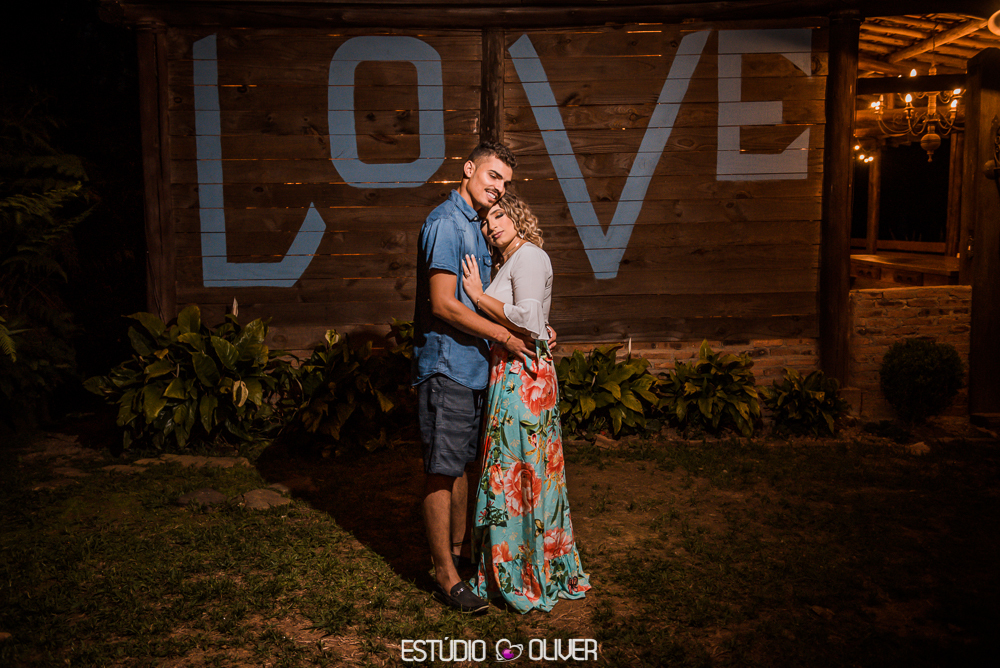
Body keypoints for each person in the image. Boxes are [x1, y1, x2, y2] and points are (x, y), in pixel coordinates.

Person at [412, 141, 536, 614]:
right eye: (492, 175)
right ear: (468, 169)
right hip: (446, 366)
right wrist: (504, 336)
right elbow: (444, 304)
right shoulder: (446, 223)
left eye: (505, 182)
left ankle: (460, 557)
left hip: (473, 369)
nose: (498, 187)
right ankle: (445, 576)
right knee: (441, 469)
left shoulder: (478, 227)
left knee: (463, 465)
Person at [460, 192, 591, 613]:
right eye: (485, 221)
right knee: (514, 470)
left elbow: (530, 320)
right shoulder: (511, 261)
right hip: (512, 372)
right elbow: (533, 318)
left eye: (499, 215)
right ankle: (513, 565)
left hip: (525, 377)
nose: (492, 226)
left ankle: (529, 571)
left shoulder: (529, 256)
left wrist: (478, 296)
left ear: (518, 215)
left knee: (523, 471)